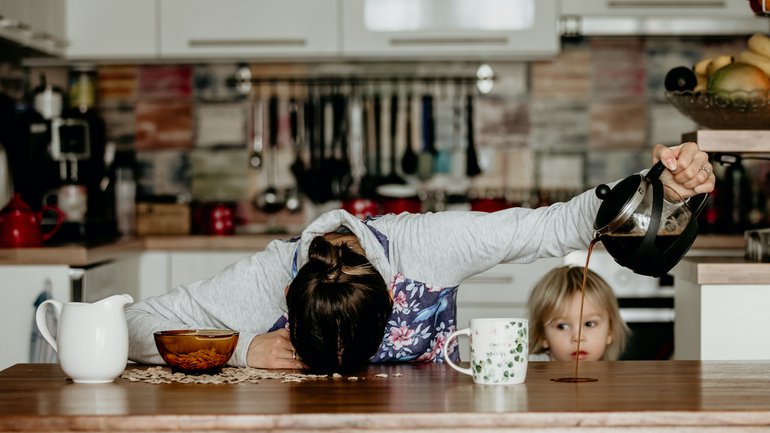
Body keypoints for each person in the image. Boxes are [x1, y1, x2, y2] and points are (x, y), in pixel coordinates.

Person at [126, 142, 715, 374]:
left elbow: (556, 224)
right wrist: (243, 348)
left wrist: (665, 184)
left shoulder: (430, 246)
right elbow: (130, 323)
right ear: (286, 297)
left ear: (392, 292)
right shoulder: (264, 276)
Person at [527, 266, 629, 362]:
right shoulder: (529, 367)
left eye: (589, 324)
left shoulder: (612, 373)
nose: (578, 337)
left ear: (609, 331)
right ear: (542, 335)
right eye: (562, 326)